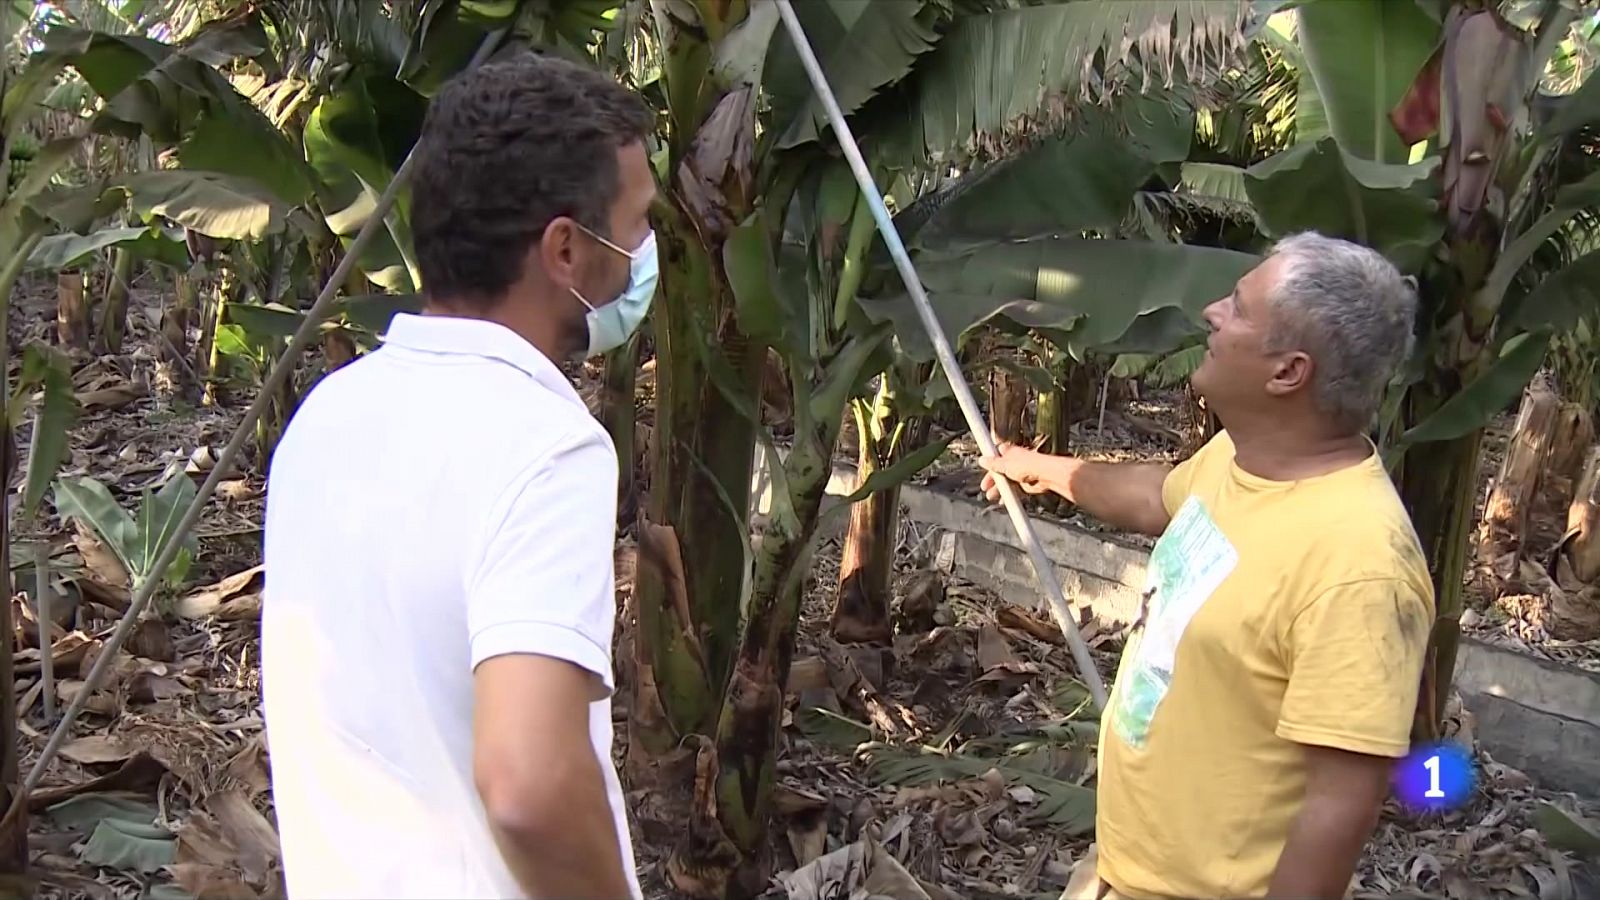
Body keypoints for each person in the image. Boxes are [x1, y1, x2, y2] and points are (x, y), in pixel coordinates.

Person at [260, 52, 656, 899]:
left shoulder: (324, 417)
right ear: (565, 250)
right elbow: (529, 785)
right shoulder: (548, 447)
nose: (643, 254)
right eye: (634, 226)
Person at [981, 232, 1434, 900]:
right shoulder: (1244, 459)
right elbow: (1158, 496)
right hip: (1122, 870)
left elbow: (1340, 804)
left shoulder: (1359, 563)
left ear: (1289, 372)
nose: (1212, 312)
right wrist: (1043, 470)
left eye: (1240, 309)